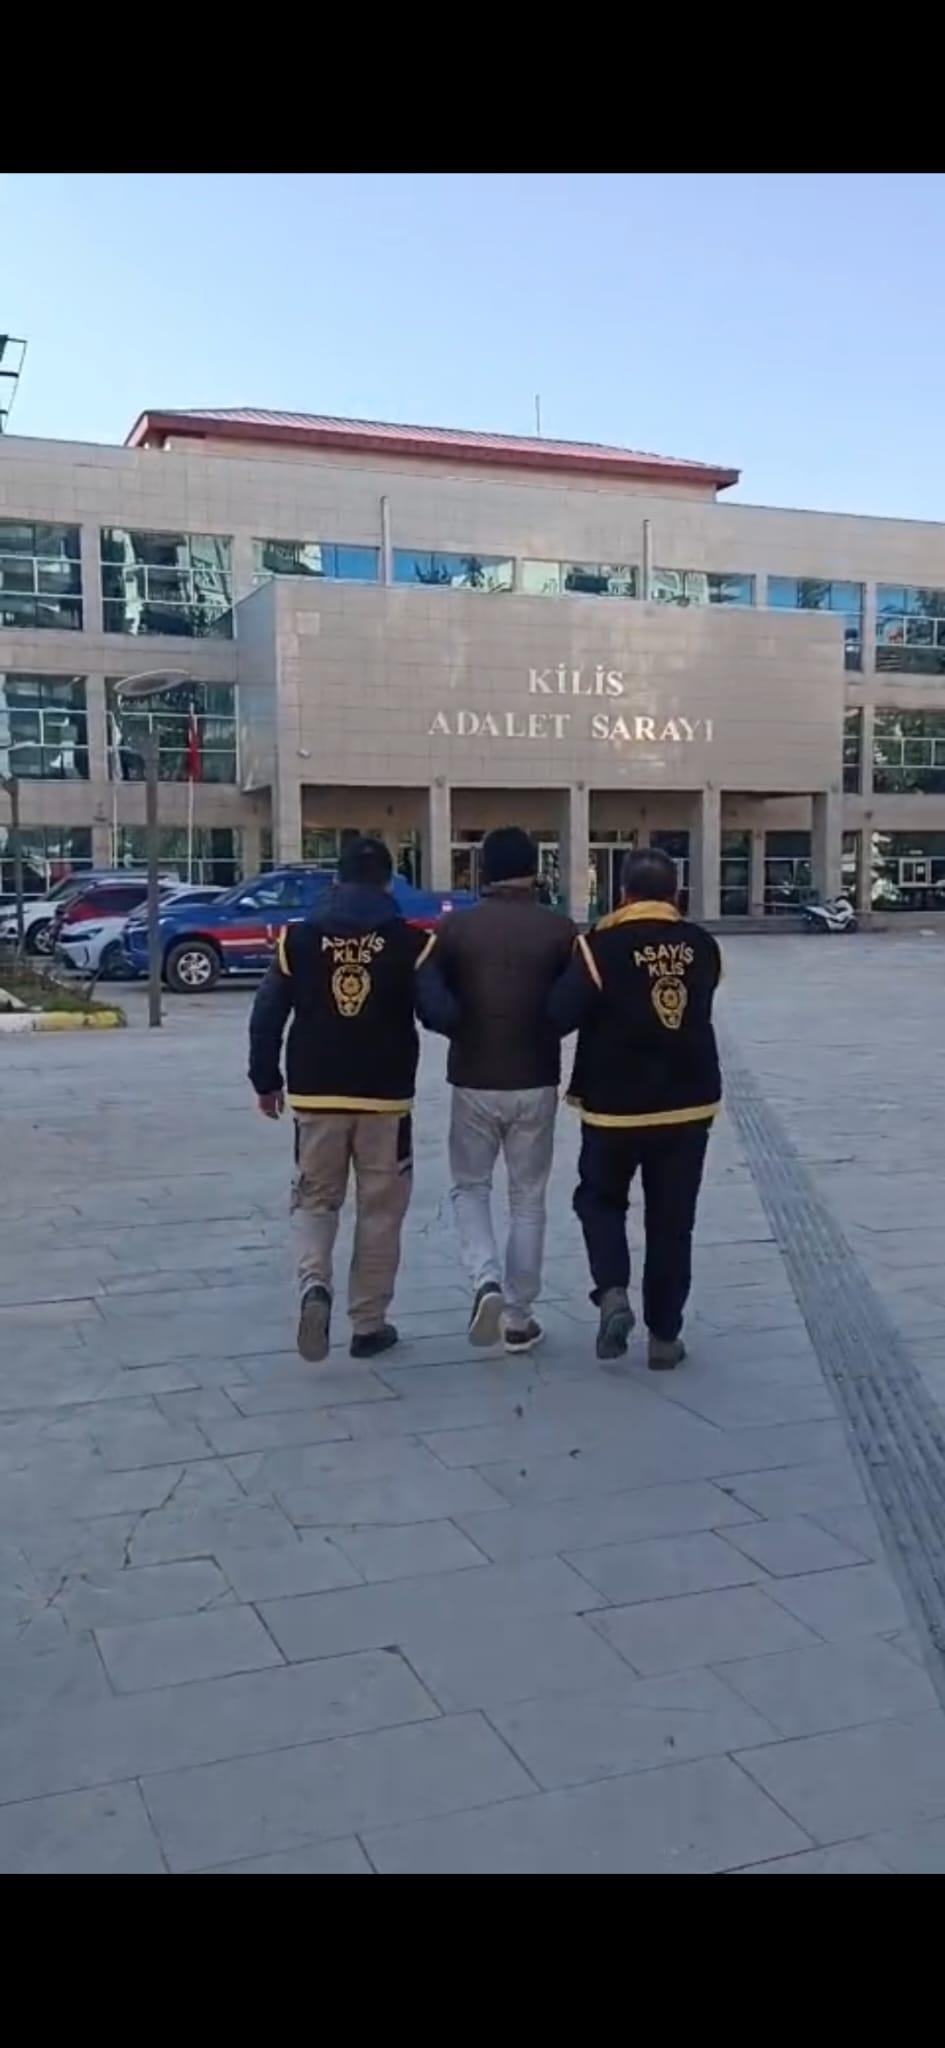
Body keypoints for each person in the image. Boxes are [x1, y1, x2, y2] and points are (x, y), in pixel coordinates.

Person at [248, 836, 432, 1363]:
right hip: (385, 1099)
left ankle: (314, 1286)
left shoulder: (299, 940)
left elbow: (267, 1015)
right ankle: (368, 1324)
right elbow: (437, 1010)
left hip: (316, 1093)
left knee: (315, 1199)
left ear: (336, 879)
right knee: (380, 1211)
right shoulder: (410, 943)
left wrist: (266, 1080)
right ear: (387, 884)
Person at [548, 846, 722, 1368]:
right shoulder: (703, 945)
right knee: (673, 1221)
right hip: (687, 1105)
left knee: (600, 1201)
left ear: (623, 893)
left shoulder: (598, 947)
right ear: (676, 894)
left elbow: (560, 1014)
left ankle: (613, 1291)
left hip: (614, 1105)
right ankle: (664, 1337)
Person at [416, 825, 576, 1353]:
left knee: (471, 1186)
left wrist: (454, 1024)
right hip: (536, 1075)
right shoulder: (559, 930)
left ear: (485, 870)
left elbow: (426, 990)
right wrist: (548, 1027)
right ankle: (518, 1315)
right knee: (528, 1198)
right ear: (534, 869)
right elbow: (576, 999)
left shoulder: (456, 929)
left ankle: (485, 1278)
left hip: (473, 1076)